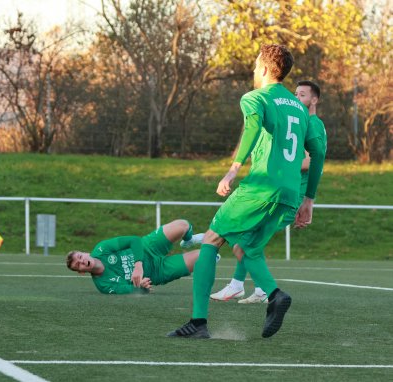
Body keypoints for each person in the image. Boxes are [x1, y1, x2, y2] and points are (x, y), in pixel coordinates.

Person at [168, 44, 326, 339]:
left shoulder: (255, 97)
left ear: (265, 69)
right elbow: (317, 154)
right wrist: (309, 200)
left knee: (213, 239)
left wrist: (233, 169)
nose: (254, 71)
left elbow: (252, 129)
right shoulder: (302, 112)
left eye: (255, 67)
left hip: (261, 186)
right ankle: (275, 294)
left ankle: (198, 323)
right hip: (289, 194)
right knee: (246, 247)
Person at [211, 80, 327, 304]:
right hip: (286, 193)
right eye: (295, 93)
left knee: (246, 242)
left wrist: (306, 198)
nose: (296, 98)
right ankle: (259, 289)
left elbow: (312, 161)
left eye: (302, 95)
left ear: (314, 100)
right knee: (249, 241)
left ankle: (247, 287)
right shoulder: (299, 120)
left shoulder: (312, 124)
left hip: (290, 196)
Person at [66, 219, 212, 294]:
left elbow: (134, 240)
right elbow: (130, 290)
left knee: (183, 225)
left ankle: (189, 240)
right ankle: (210, 257)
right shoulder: (103, 285)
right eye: (78, 265)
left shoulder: (101, 248)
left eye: (80, 257)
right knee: (205, 256)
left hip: (148, 246)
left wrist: (138, 264)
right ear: (81, 272)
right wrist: (141, 287)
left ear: (84, 253)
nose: (82, 262)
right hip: (158, 271)